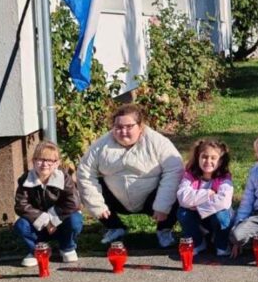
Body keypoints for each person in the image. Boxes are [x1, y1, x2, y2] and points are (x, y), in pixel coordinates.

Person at [77, 104, 184, 248]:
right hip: (116, 199)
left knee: (179, 190)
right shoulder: (100, 145)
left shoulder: (158, 142)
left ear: (140, 126)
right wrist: (97, 206)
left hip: (151, 198)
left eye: (129, 126)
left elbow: (174, 170)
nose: (123, 131)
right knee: (89, 188)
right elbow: (85, 172)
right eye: (118, 127)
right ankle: (115, 227)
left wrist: (162, 206)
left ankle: (164, 230)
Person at [13, 140, 83, 266]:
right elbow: (21, 205)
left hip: (61, 224)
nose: (44, 164)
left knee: (75, 219)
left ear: (57, 163)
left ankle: (67, 247)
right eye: (40, 159)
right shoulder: (26, 180)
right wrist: (45, 220)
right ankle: (36, 249)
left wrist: (53, 220)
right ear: (33, 161)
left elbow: (73, 202)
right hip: (37, 225)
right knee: (21, 225)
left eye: (50, 160)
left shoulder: (64, 178)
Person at [176, 139, 234, 257]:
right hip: (199, 219)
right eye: (204, 157)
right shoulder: (190, 175)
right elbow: (182, 197)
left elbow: (224, 201)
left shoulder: (224, 178)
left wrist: (198, 207)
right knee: (182, 213)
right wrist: (208, 193)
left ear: (221, 161)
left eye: (213, 158)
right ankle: (198, 242)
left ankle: (221, 244)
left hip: (215, 217)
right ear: (198, 157)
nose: (208, 161)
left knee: (221, 215)